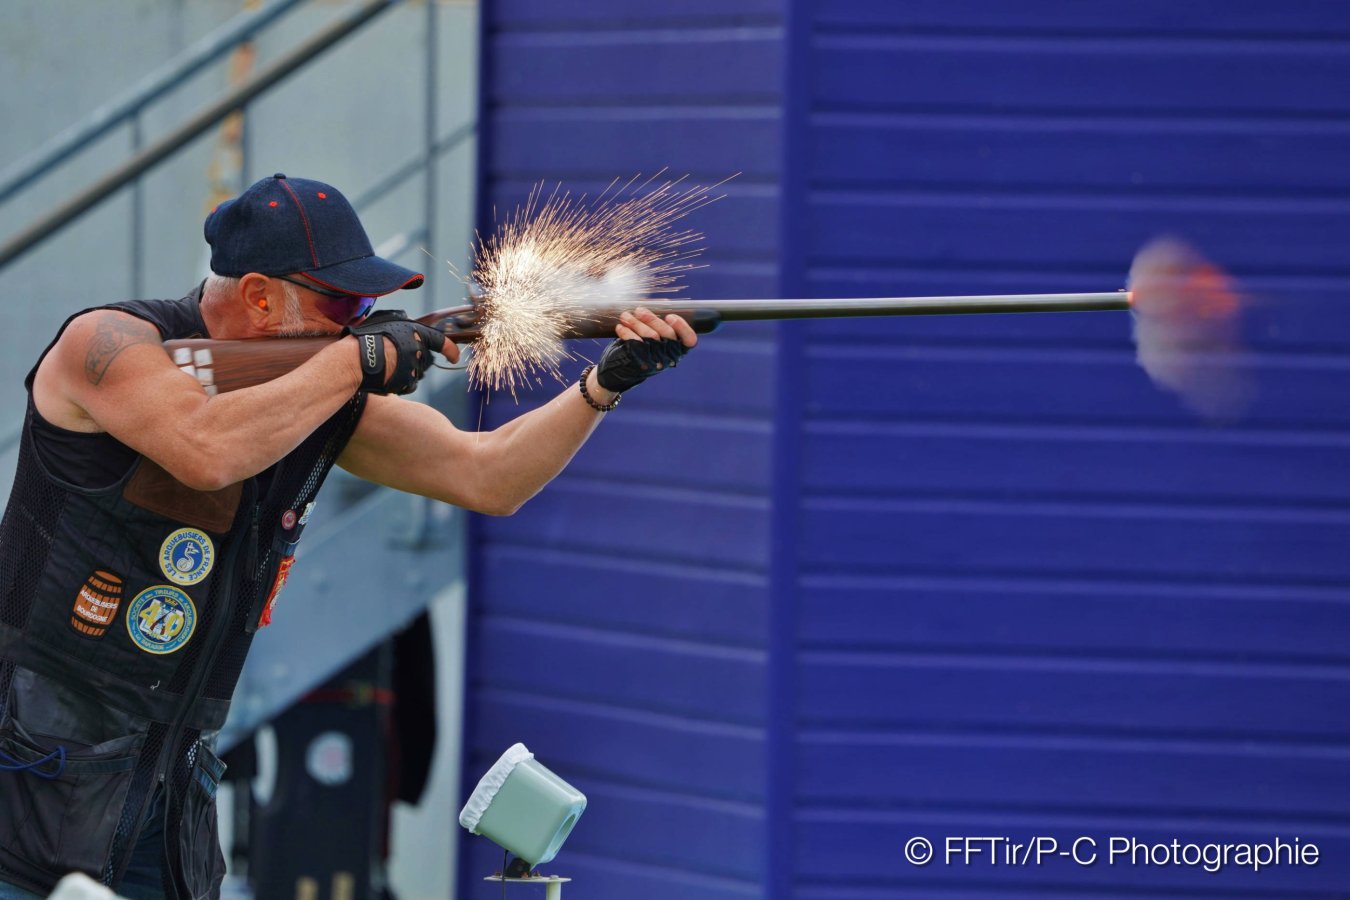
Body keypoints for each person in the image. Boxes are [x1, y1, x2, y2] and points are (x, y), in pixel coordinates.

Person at [0, 173, 695, 899]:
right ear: (261, 296)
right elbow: (204, 449)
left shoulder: (322, 392)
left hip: (166, 806)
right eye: (341, 302)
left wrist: (603, 388)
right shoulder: (109, 342)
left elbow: (490, 477)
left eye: (363, 305)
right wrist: (349, 362)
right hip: (28, 784)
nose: (357, 319)